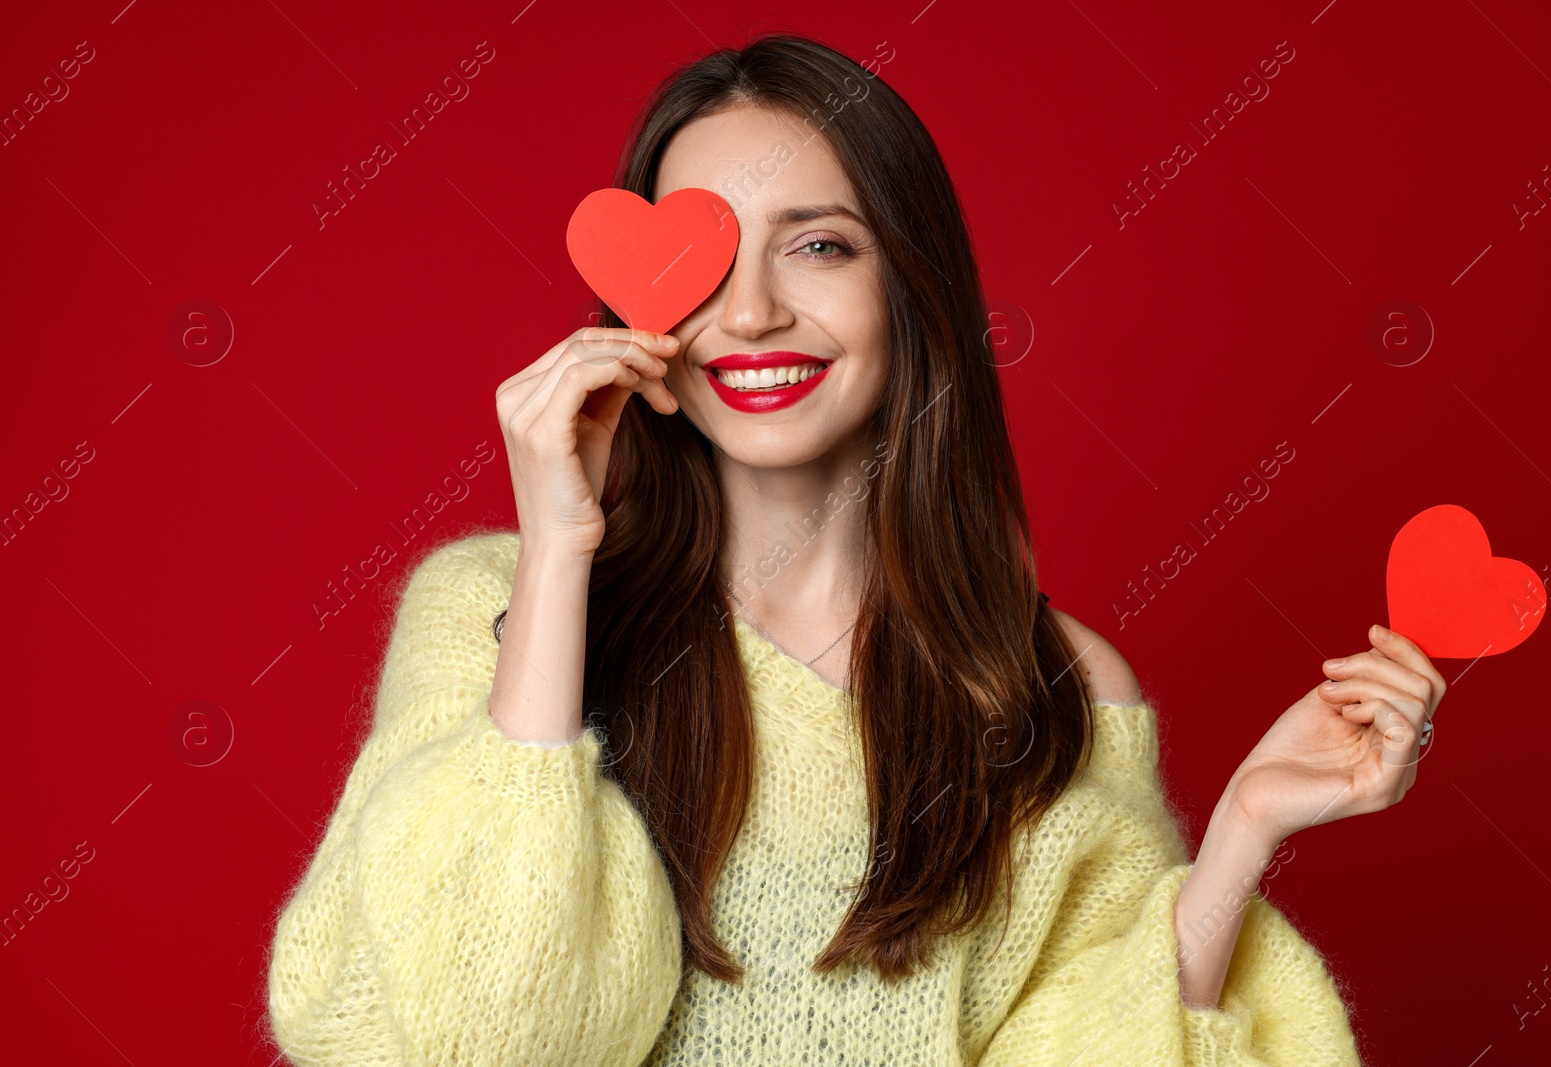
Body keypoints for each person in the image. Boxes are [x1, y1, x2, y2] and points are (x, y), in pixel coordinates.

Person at [264, 33, 1443, 1066]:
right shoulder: (493, 610)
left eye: (819, 245)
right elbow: (491, 1040)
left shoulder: (1050, 684)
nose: (750, 312)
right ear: (639, 318)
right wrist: (562, 552)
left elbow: (1074, 1040)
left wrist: (1243, 827)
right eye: (700, 261)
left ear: (909, 286)